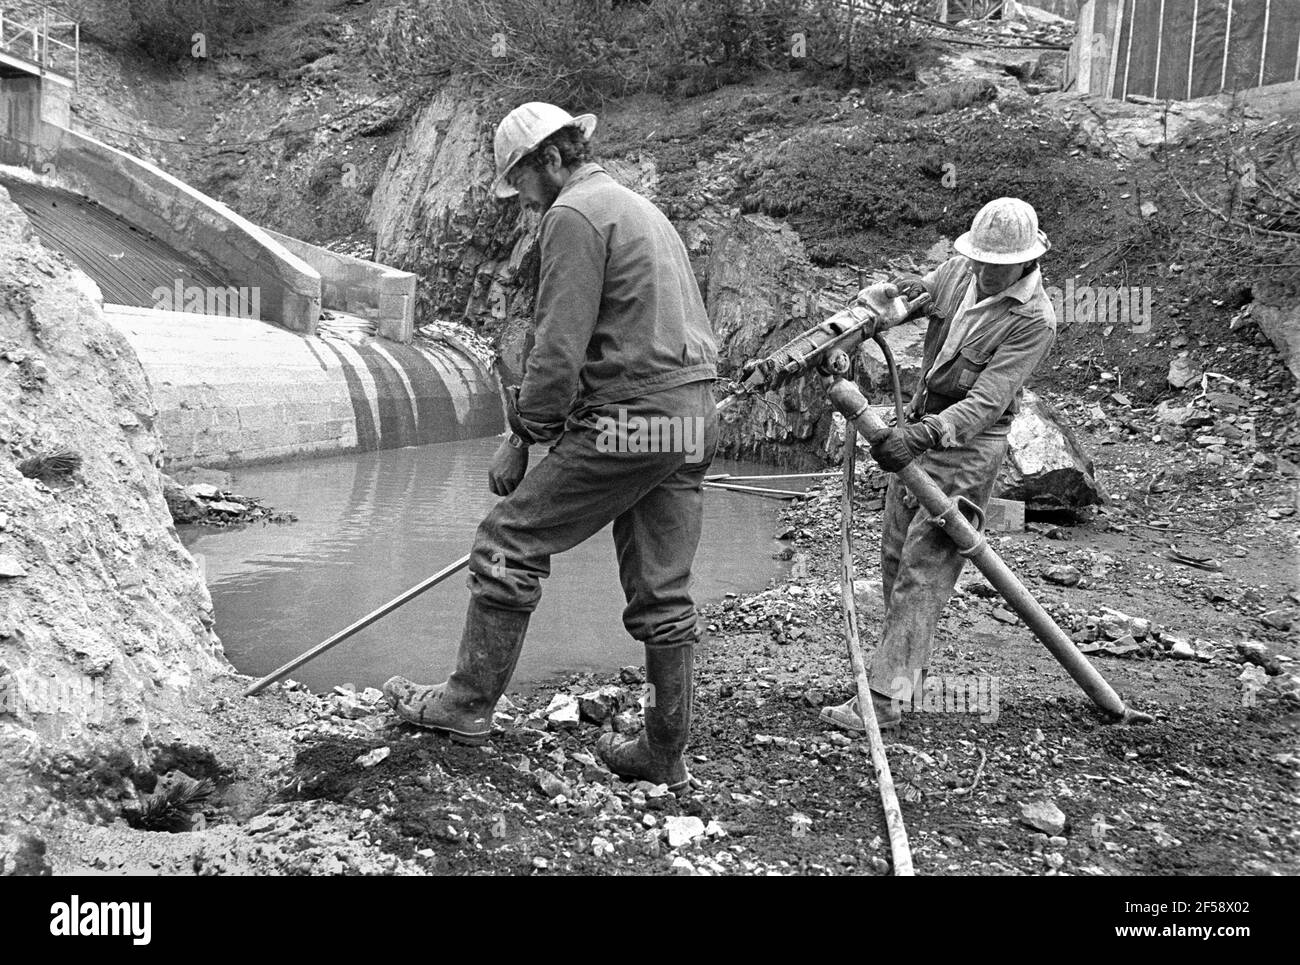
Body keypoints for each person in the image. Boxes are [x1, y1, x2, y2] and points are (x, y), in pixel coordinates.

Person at [383, 103, 719, 792]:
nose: (523, 204)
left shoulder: (573, 215)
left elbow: (557, 352)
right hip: (691, 416)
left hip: (635, 416)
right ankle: (665, 752)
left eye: (522, 184)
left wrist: (523, 436)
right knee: (663, 593)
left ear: (548, 161)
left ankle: (468, 704)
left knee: (507, 539)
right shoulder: (638, 208)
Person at [821, 197, 1057, 731]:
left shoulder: (1034, 320)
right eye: (980, 261)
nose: (986, 272)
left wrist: (921, 434)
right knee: (893, 558)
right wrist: (867, 319)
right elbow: (907, 301)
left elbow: (987, 402)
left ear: (1026, 261)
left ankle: (883, 703)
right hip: (922, 429)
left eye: (998, 266)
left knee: (925, 568)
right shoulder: (958, 272)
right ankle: (895, 680)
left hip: (967, 448)